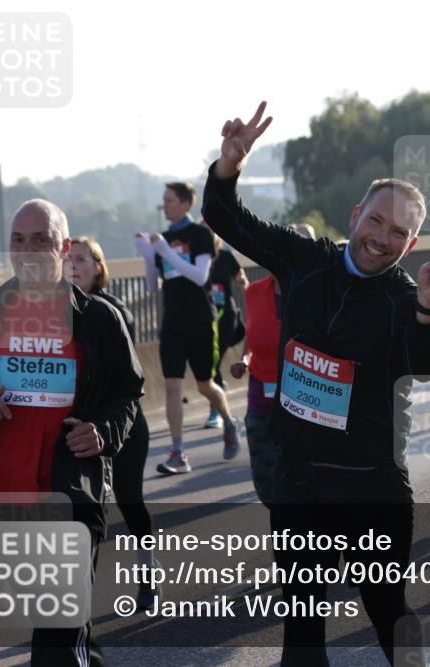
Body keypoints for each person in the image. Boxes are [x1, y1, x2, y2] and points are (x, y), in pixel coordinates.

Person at [202, 101, 430, 665]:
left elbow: (422, 363)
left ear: (409, 244)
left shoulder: (406, 296)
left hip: (371, 487)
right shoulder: (305, 259)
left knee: (388, 612)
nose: (382, 238)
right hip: (299, 480)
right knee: (302, 630)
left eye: (398, 232)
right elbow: (225, 218)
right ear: (355, 216)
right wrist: (229, 166)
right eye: (376, 221)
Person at [0, 199, 144, 665]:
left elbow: (128, 391)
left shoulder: (98, 319)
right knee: (61, 632)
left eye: (40, 240)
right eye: (17, 240)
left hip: (70, 498)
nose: (27, 250)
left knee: (57, 639)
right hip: (3, 502)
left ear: (64, 248)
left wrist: (103, 431)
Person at [65, 236, 159, 607]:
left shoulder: (113, 311)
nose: (73, 265)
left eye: (81, 259)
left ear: (98, 267)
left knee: (129, 499)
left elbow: (122, 380)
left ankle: (147, 572)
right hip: (78, 428)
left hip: (122, 426)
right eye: (68, 259)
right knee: (84, 509)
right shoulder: (51, 312)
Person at [135, 182, 241, 474]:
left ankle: (229, 421)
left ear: (185, 204)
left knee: (205, 385)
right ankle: (178, 453)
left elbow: (199, 276)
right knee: (172, 385)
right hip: (172, 323)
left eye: (169, 200)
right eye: (164, 200)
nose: (165, 206)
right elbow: (152, 285)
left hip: (201, 321)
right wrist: (148, 256)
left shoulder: (200, 234)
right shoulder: (165, 238)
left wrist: (164, 251)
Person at [229, 223, 316, 505]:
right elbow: (253, 334)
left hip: (308, 405)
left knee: (306, 488)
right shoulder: (254, 293)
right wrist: (244, 359)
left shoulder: (321, 295)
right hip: (262, 400)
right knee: (267, 485)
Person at [203, 226, 249, 429]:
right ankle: (219, 387)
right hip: (204, 318)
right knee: (207, 360)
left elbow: (243, 282)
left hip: (226, 318)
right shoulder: (195, 258)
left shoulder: (225, 257)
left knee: (212, 361)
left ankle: (215, 411)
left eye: (210, 232)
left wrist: (244, 285)